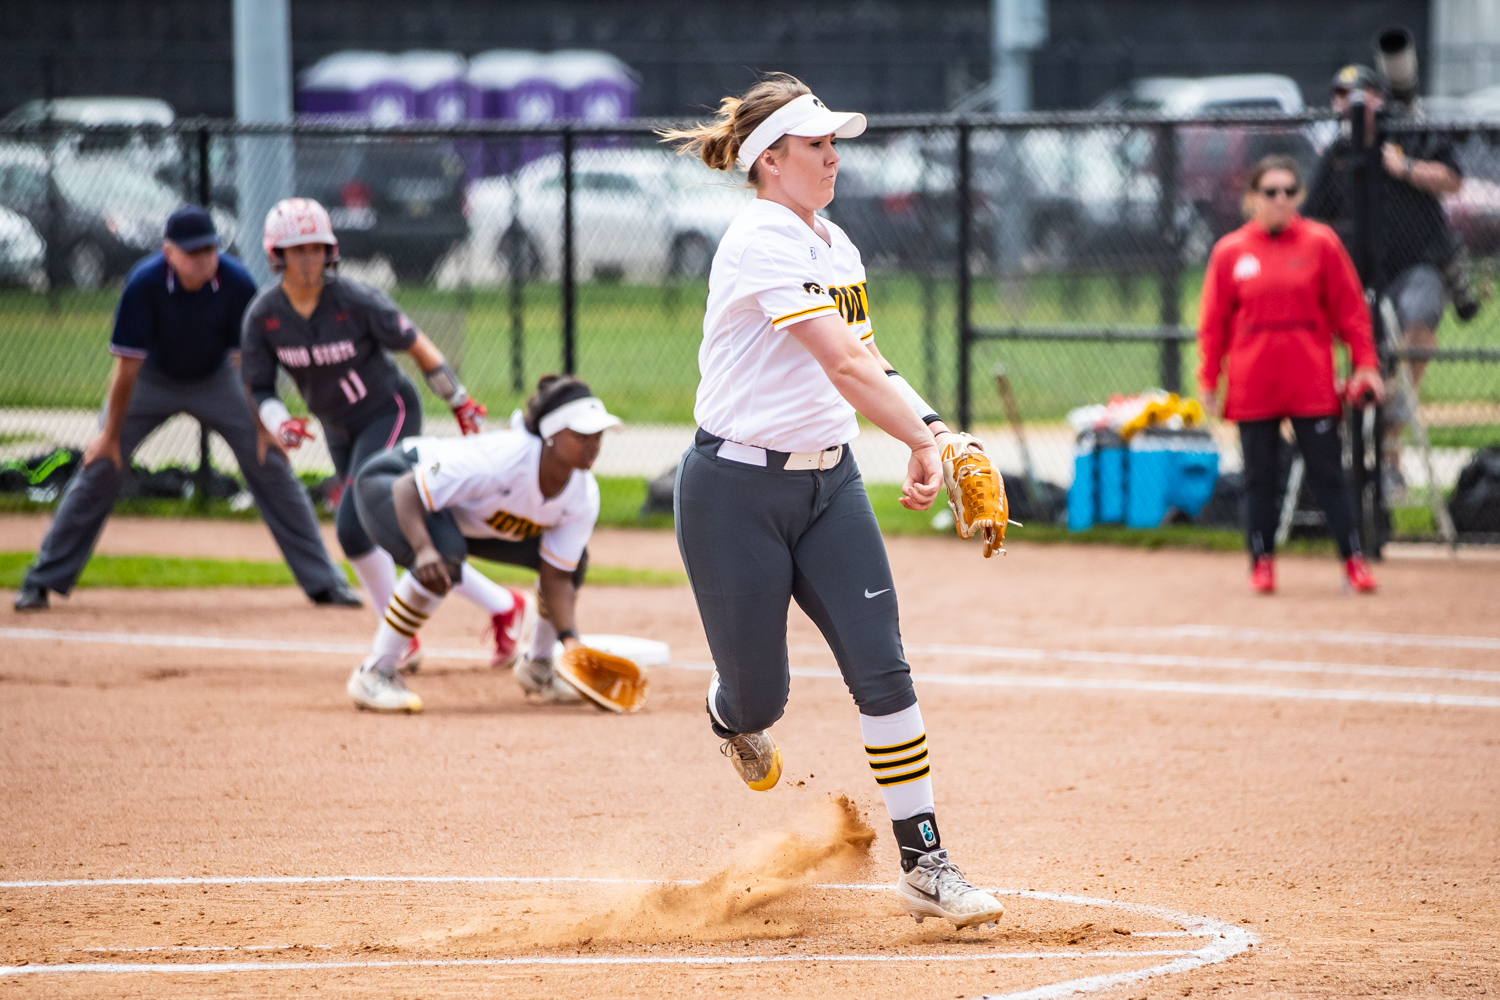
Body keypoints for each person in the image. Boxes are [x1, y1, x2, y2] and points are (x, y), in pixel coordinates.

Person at [661, 74, 1006, 930]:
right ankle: (728, 713)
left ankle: (925, 862)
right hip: (733, 492)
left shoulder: (833, 242)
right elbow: (842, 366)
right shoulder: (759, 240)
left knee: (881, 665)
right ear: (770, 160)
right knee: (761, 697)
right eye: (817, 144)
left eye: (833, 142)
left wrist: (928, 430)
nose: (833, 156)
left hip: (829, 485)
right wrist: (932, 442)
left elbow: (868, 358)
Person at [13, 205, 358, 612]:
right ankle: (41, 580)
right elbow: (126, 369)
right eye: (192, 252)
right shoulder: (144, 284)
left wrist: (264, 428)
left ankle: (325, 582)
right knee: (100, 466)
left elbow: (247, 363)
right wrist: (108, 437)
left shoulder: (234, 283)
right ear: (169, 252)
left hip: (218, 380)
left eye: (210, 249)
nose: (204, 259)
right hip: (150, 381)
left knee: (271, 465)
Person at [240, 197, 510, 672]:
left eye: (316, 248)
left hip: (391, 410)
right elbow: (259, 387)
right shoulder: (265, 316)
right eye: (296, 249)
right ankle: (502, 606)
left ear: (331, 252)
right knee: (392, 531)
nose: (308, 260)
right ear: (275, 255)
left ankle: (401, 637)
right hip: (338, 427)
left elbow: (418, 347)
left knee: (352, 525)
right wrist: (278, 421)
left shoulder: (354, 300)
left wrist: (459, 400)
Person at [343, 375, 620, 713]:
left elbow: (556, 574)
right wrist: (423, 549)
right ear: (549, 435)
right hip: (391, 480)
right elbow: (407, 489)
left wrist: (571, 642)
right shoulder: (503, 460)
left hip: (457, 514)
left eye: (598, 435)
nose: (593, 444)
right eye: (581, 435)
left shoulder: (582, 493)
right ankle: (374, 673)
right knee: (442, 559)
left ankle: (540, 669)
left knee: (572, 563)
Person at [1198, 155, 1386, 594]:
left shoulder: (1321, 243)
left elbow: (1351, 312)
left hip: (1310, 380)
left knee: (1328, 475)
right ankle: (1261, 562)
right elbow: (1213, 324)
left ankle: (1353, 560)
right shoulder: (1230, 252)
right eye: (1270, 192)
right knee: (1259, 477)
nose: (1280, 200)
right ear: (1252, 199)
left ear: (1298, 196)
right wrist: (1208, 378)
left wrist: (1365, 365)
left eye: (1288, 191)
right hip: (1254, 382)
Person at [1302, 64, 1465, 497]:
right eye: (1341, 93)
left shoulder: (1410, 134)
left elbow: (1453, 181)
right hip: (1361, 274)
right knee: (1365, 351)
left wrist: (1405, 166)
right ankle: (1378, 461)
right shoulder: (1337, 152)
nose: (1350, 102)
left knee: (1417, 317)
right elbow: (1310, 217)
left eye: (1360, 92)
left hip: (1419, 263)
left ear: (1379, 98)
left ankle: (1392, 414)